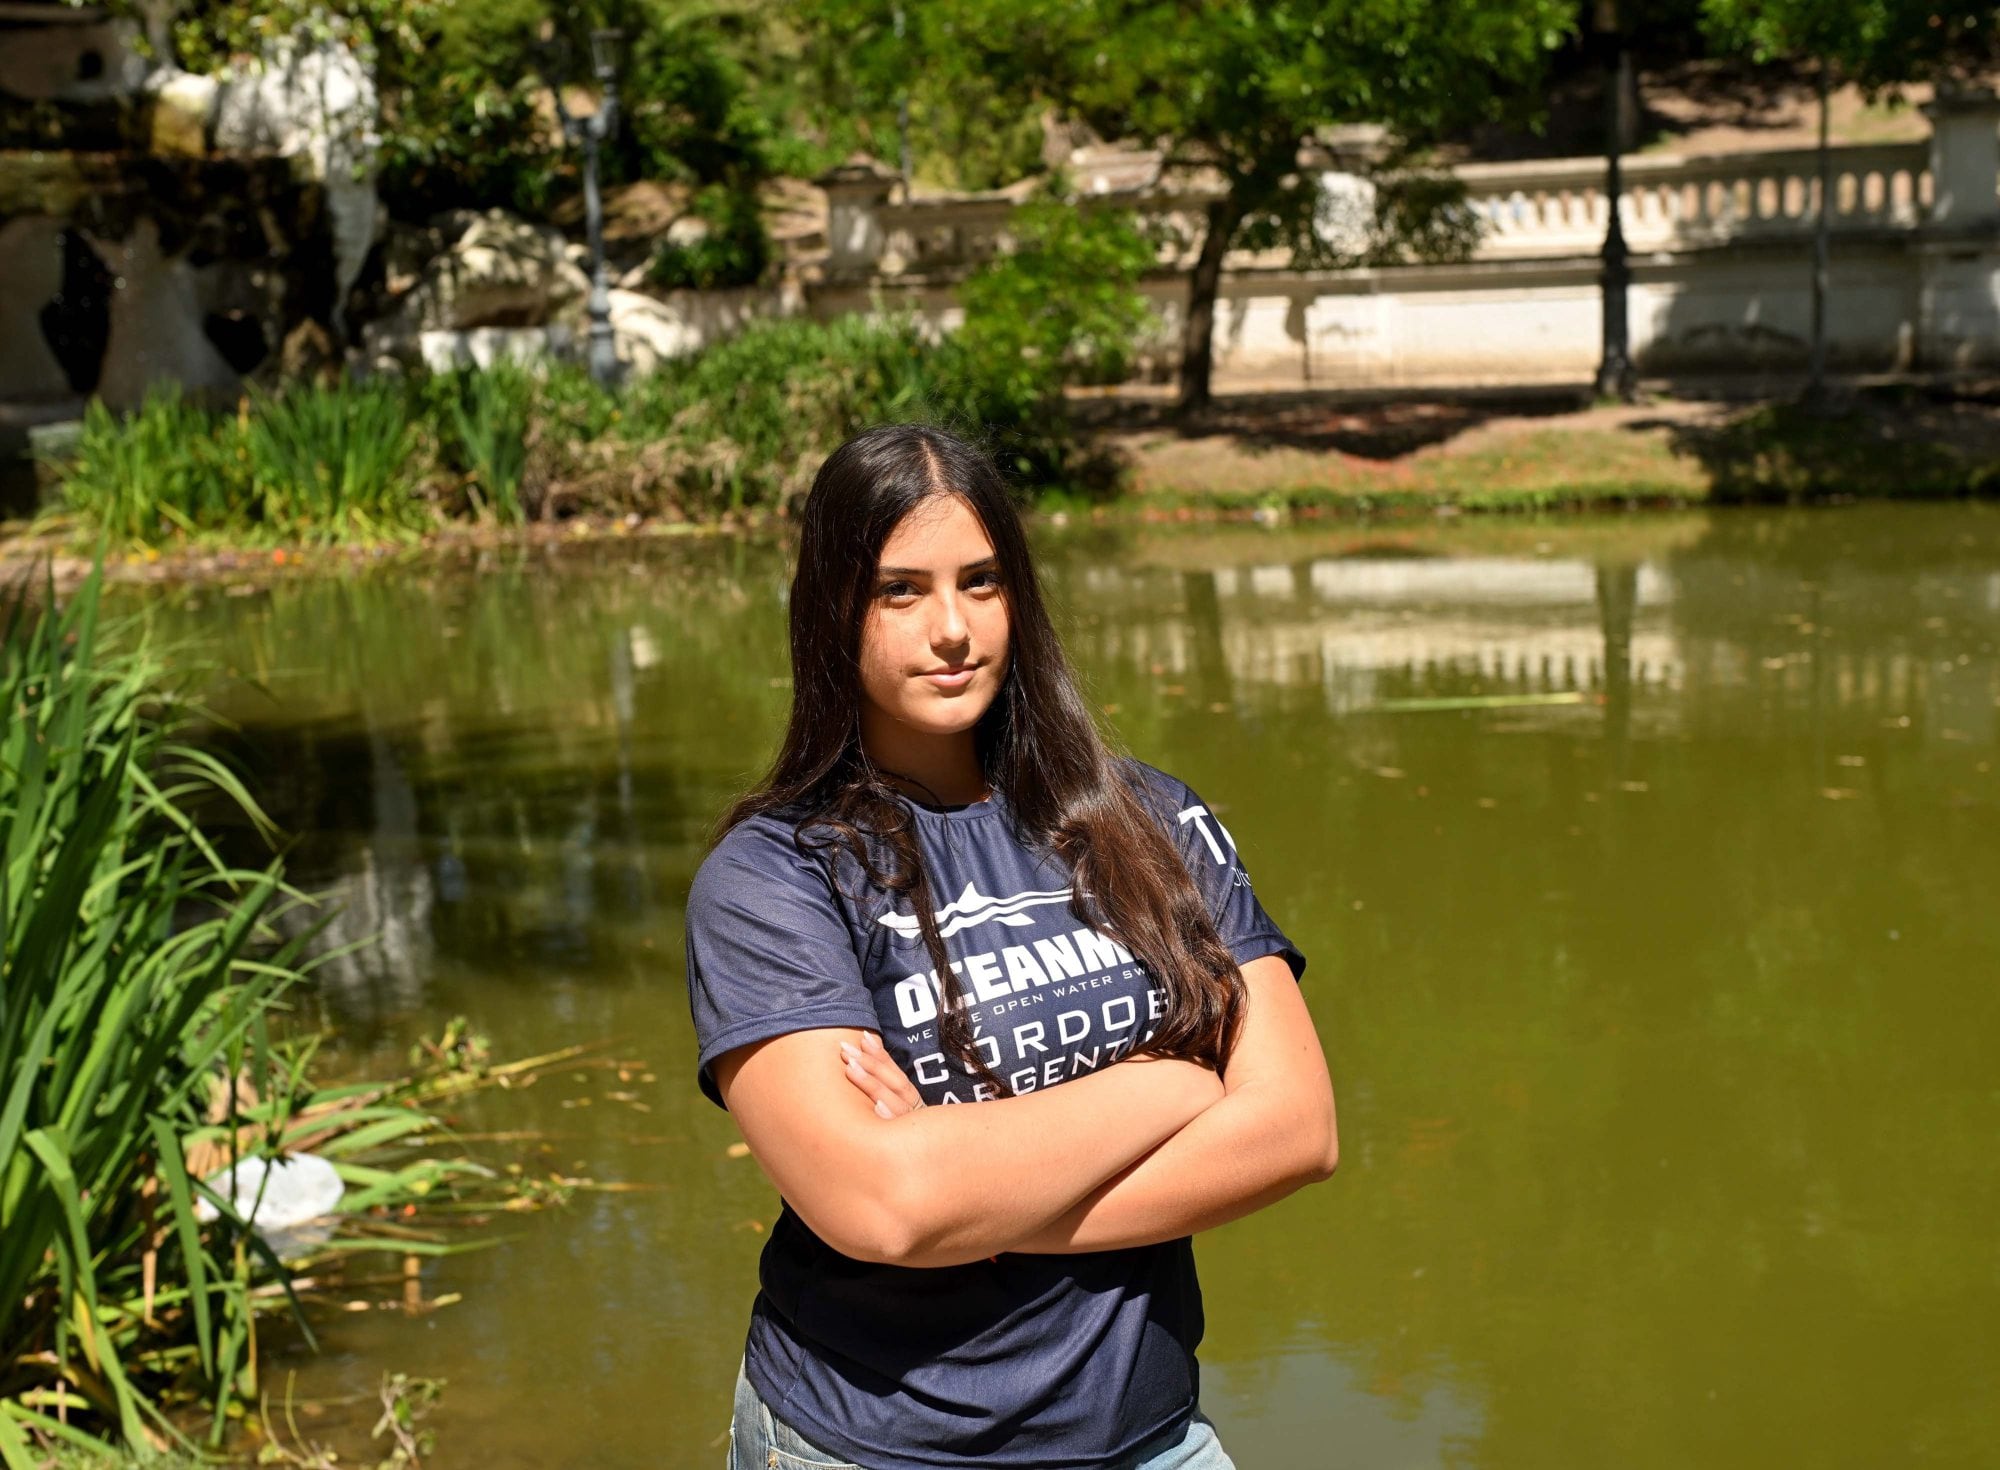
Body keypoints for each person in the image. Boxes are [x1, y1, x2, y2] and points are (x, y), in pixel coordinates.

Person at [684, 422, 1338, 1470]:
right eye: (900, 590)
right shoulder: (774, 878)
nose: (951, 628)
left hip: (1148, 1440)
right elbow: (880, 1206)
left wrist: (969, 1196)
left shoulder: (1152, 822)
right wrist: (1170, 1085)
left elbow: (1296, 1128)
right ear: (829, 610)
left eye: (979, 583)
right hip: (876, 1444)